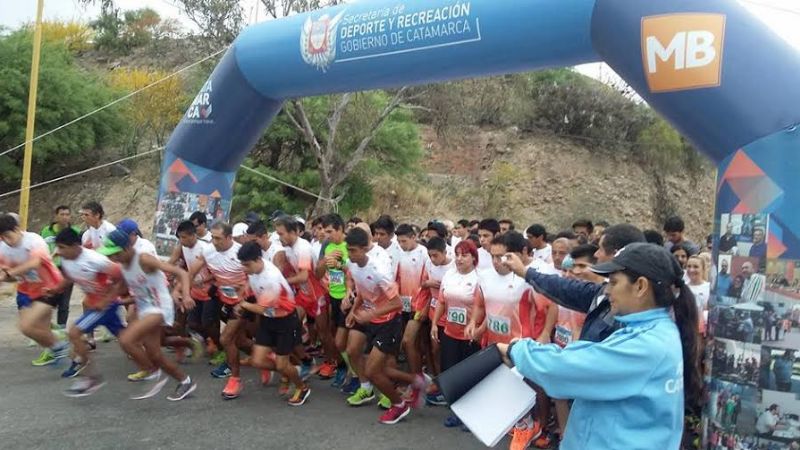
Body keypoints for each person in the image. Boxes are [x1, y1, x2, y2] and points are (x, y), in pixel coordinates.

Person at [499, 243, 701, 450]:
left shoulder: (648, 345)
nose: (607, 290)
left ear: (640, 286)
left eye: (613, 282)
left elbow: (566, 369)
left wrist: (518, 350)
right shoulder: (651, 330)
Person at [98, 229, 197, 401]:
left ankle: (152, 373)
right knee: (155, 354)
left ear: (127, 248)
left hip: (160, 306)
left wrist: (186, 295)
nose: (113, 258)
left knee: (126, 339)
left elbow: (181, 273)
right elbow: (119, 288)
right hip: (145, 308)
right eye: (110, 255)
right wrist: (106, 300)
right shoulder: (122, 266)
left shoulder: (143, 259)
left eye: (115, 254)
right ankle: (185, 381)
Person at [504, 224, 646, 343]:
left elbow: (592, 360)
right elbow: (564, 288)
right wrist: (524, 272)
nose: (596, 254)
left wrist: (524, 352)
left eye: (601, 249)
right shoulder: (600, 293)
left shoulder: (635, 327)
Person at [343, 227, 419, 425]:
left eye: (353, 250)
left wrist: (371, 314)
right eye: (348, 250)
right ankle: (416, 382)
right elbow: (362, 291)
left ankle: (400, 404)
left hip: (388, 323)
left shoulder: (378, 270)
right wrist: (353, 311)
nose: (349, 255)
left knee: (375, 371)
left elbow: (397, 303)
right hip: (368, 319)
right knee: (355, 352)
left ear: (364, 249)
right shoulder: (353, 265)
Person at [50, 228, 125, 393]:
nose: (59, 252)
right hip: (95, 304)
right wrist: (54, 290)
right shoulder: (66, 260)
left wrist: (106, 300)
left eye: (62, 247)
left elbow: (121, 277)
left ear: (76, 245)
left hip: (104, 305)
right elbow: (69, 278)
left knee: (74, 333)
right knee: (127, 340)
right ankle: (155, 363)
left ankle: (91, 377)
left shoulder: (95, 259)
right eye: (58, 247)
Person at [237, 241, 311, 406]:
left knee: (282, 364)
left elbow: (264, 309)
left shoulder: (271, 278)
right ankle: (291, 371)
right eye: (243, 265)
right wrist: (244, 291)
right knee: (257, 361)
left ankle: (301, 386)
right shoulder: (253, 270)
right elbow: (251, 286)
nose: (245, 269)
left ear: (258, 260)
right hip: (268, 321)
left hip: (285, 321)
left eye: (247, 265)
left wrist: (244, 305)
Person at [0, 213, 69, 366]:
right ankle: (59, 344)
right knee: (37, 329)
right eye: (1, 237)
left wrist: (8, 273)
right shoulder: (3, 249)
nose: (5, 240)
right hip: (28, 290)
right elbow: (8, 276)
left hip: (50, 287)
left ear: (17, 229)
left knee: (26, 326)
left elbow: (35, 263)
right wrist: (5, 277)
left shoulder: (33, 240)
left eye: (7, 235)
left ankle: (62, 346)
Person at [431, 239, 480, 427]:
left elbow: (480, 306)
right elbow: (442, 302)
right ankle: (457, 410)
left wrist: (475, 326)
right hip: (449, 332)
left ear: (474, 258)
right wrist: (435, 324)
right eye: (457, 254)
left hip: (470, 335)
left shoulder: (478, 278)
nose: (459, 259)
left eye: (465, 255)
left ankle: (472, 415)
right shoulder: (449, 275)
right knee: (450, 371)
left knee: (470, 374)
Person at [314, 213, 351, 388]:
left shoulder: (350, 245)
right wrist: (324, 263)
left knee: (345, 341)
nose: (326, 235)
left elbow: (356, 273)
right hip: (333, 296)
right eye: (324, 231)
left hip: (349, 298)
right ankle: (342, 367)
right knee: (336, 336)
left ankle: (355, 374)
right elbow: (318, 274)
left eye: (330, 231)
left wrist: (340, 265)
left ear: (340, 229)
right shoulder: (327, 246)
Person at [395, 223, 430, 397]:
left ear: (413, 237)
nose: (402, 244)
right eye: (399, 241)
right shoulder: (398, 253)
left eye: (404, 241)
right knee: (410, 344)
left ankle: (417, 380)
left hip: (420, 304)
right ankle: (416, 376)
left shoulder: (424, 253)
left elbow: (428, 283)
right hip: (403, 304)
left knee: (409, 341)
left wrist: (425, 306)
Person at [40, 205, 81, 330]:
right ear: (56, 216)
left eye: (67, 214)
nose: (65, 217)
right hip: (50, 269)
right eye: (62, 214)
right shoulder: (46, 231)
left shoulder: (75, 231)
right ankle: (44, 327)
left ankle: (62, 329)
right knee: (47, 299)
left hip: (67, 269)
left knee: (64, 301)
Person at [686, 255, 710, 335]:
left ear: (703, 269)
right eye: (688, 266)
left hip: (703, 333)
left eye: (696, 267)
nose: (691, 270)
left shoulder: (709, 288)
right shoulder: (683, 288)